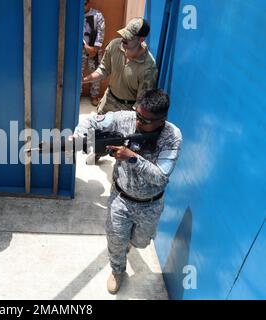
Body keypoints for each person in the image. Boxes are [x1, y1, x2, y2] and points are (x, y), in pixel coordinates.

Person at [73, 89, 182, 294]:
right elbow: (93, 121)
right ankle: (117, 270)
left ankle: (128, 243)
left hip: (150, 203)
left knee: (141, 242)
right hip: (121, 197)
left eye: (145, 120)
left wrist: (132, 157)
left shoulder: (172, 137)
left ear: (161, 120)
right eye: (137, 114)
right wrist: (78, 136)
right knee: (115, 238)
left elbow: (160, 177)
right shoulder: (125, 118)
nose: (138, 122)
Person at [82, 17, 158, 115]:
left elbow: (141, 102)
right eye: (124, 34)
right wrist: (83, 80)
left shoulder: (148, 67)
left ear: (141, 39)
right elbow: (103, 70)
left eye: (129, 37)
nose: (124, 39)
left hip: (127, 110)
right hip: (107, 102)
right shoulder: (114, 46)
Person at [82, 0, 105, 106]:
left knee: (95, 71)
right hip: (79, 50)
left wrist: (94, 49)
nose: (83, 6)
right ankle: (76, 94)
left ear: (89, 3)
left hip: (94, 48)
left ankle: (94, 95)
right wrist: (84, 46)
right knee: (77, 72)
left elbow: (101, 32)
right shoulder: (75, 14)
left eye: (85, 4)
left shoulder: (97, 15)